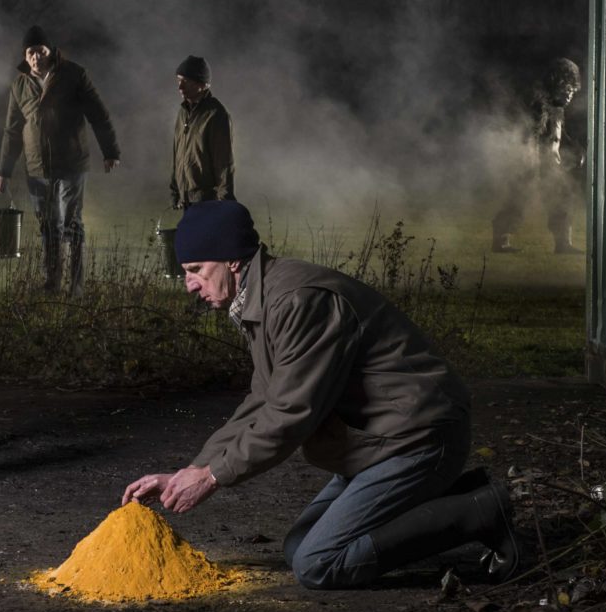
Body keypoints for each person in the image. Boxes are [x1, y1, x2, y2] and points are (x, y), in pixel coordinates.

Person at [123, 200, 521, 590]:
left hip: (419, 436)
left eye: (195, 270)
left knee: (318, 564)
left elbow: (291, 412)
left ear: (231, 259)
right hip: (383, 442)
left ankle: (483, 512)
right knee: (299, 548)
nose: (190, 284)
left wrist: (212, 477)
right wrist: (191, 471)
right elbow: (263, 400)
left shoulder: (298, 300)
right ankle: (459, 499)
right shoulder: (261, 300)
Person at [0, 25, 120, 293]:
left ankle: (76, 284)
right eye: (31, 52)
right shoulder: (19, 85)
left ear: (51, 52)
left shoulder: (73, 75)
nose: (36, 57)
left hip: (71, 164)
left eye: (41, 51)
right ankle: (51, 282)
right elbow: (12, 129)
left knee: (70, 221)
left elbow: (98, 114)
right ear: (25, 56)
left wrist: (110, 151)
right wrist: (4, 170)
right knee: (48, 224)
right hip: (37, 167)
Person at [490, 56, 585, 254]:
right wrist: (529, 162)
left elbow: (558, 134)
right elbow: (529, 133)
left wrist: (575, 148)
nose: (570, 96)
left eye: (572, 92)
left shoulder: (557, 108)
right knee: (519, 197)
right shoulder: (538, 104)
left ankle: (563, 243)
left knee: (561, 197)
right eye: (568, 89)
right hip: (531, 161)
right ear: (557, 83)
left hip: (549, 163)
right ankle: (501, 241)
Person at [169, 55, 234, 209]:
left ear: (202, 85)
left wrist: (224, 202)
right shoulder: (182, 112)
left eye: (186, 82)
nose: (180, 88)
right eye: (179, 81)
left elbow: (224, 163)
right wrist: (175, 192)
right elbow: (176, 153)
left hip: (207, 202)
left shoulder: (216, 114)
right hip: (185, 201)